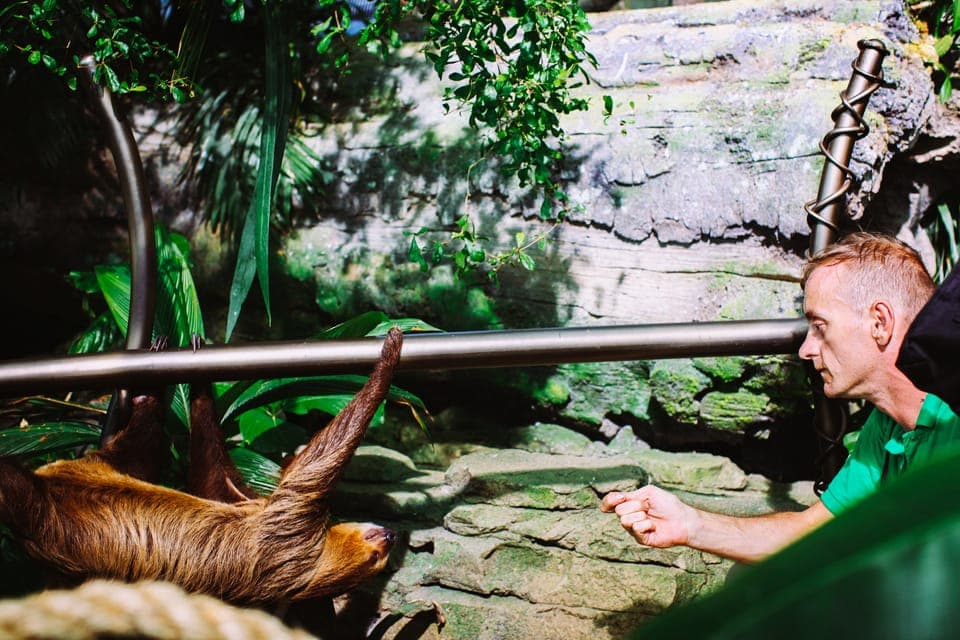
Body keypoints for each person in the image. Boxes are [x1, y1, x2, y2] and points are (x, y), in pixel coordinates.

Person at [600, 232, 960, 563]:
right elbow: (815, 533)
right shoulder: (887, 424)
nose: (805, 350)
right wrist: (690, 524)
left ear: (879, 323)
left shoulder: (953, 422)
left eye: (820, 327)